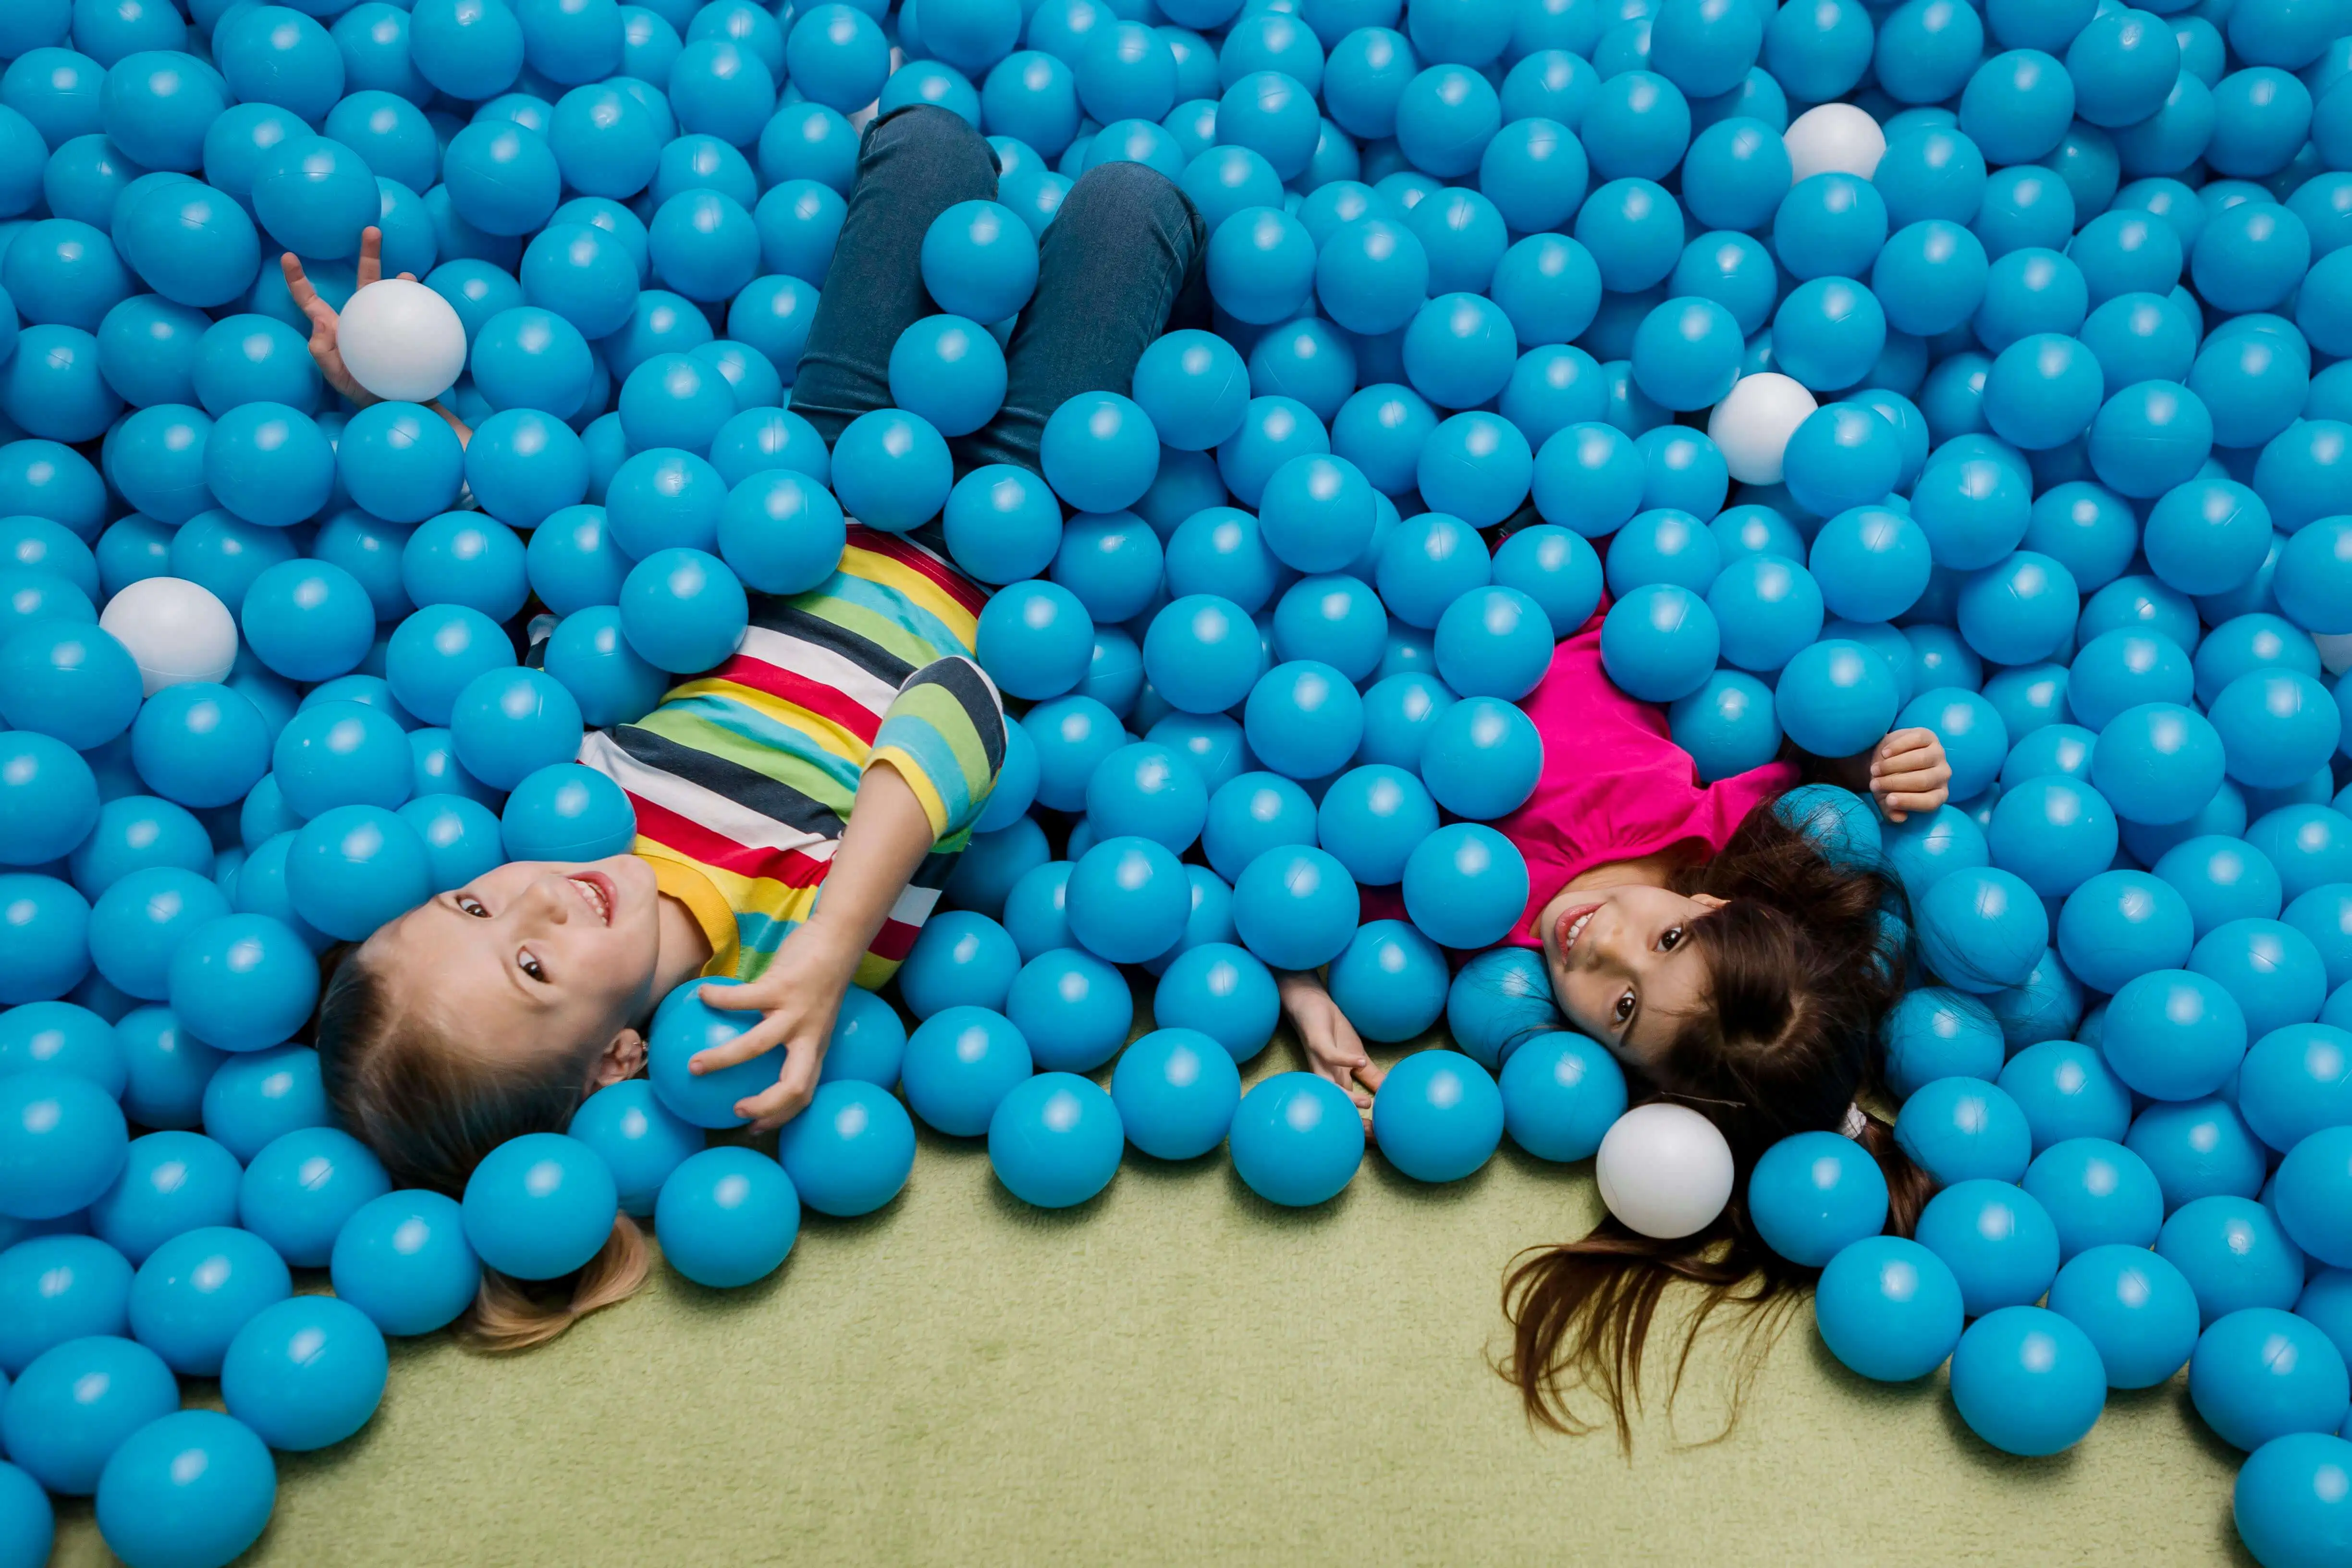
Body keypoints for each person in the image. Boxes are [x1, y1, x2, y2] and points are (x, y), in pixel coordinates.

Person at [306, 105, 1209, 1349]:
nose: (537, 902)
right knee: (1129, 202)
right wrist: (835, 946)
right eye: (531, 970)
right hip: (1016, 526)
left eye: (471, 905)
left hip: (828, 471)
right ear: (617, 1062)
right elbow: (961, 703)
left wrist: (398, 410)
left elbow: (548, 580)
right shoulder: (777, 970)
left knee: (930, 148)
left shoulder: (578, 793)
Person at [1274, 601, 1953, 1445]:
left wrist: (1301, 992)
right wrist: (1884, 763)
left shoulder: (1455, 934)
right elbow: (1819, 746)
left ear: (1621, 1072)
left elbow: (1293, 889)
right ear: (1714, 905)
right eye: (1670, 939)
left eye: (1624, 1009)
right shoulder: (1717, 820)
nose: (1602, 945)